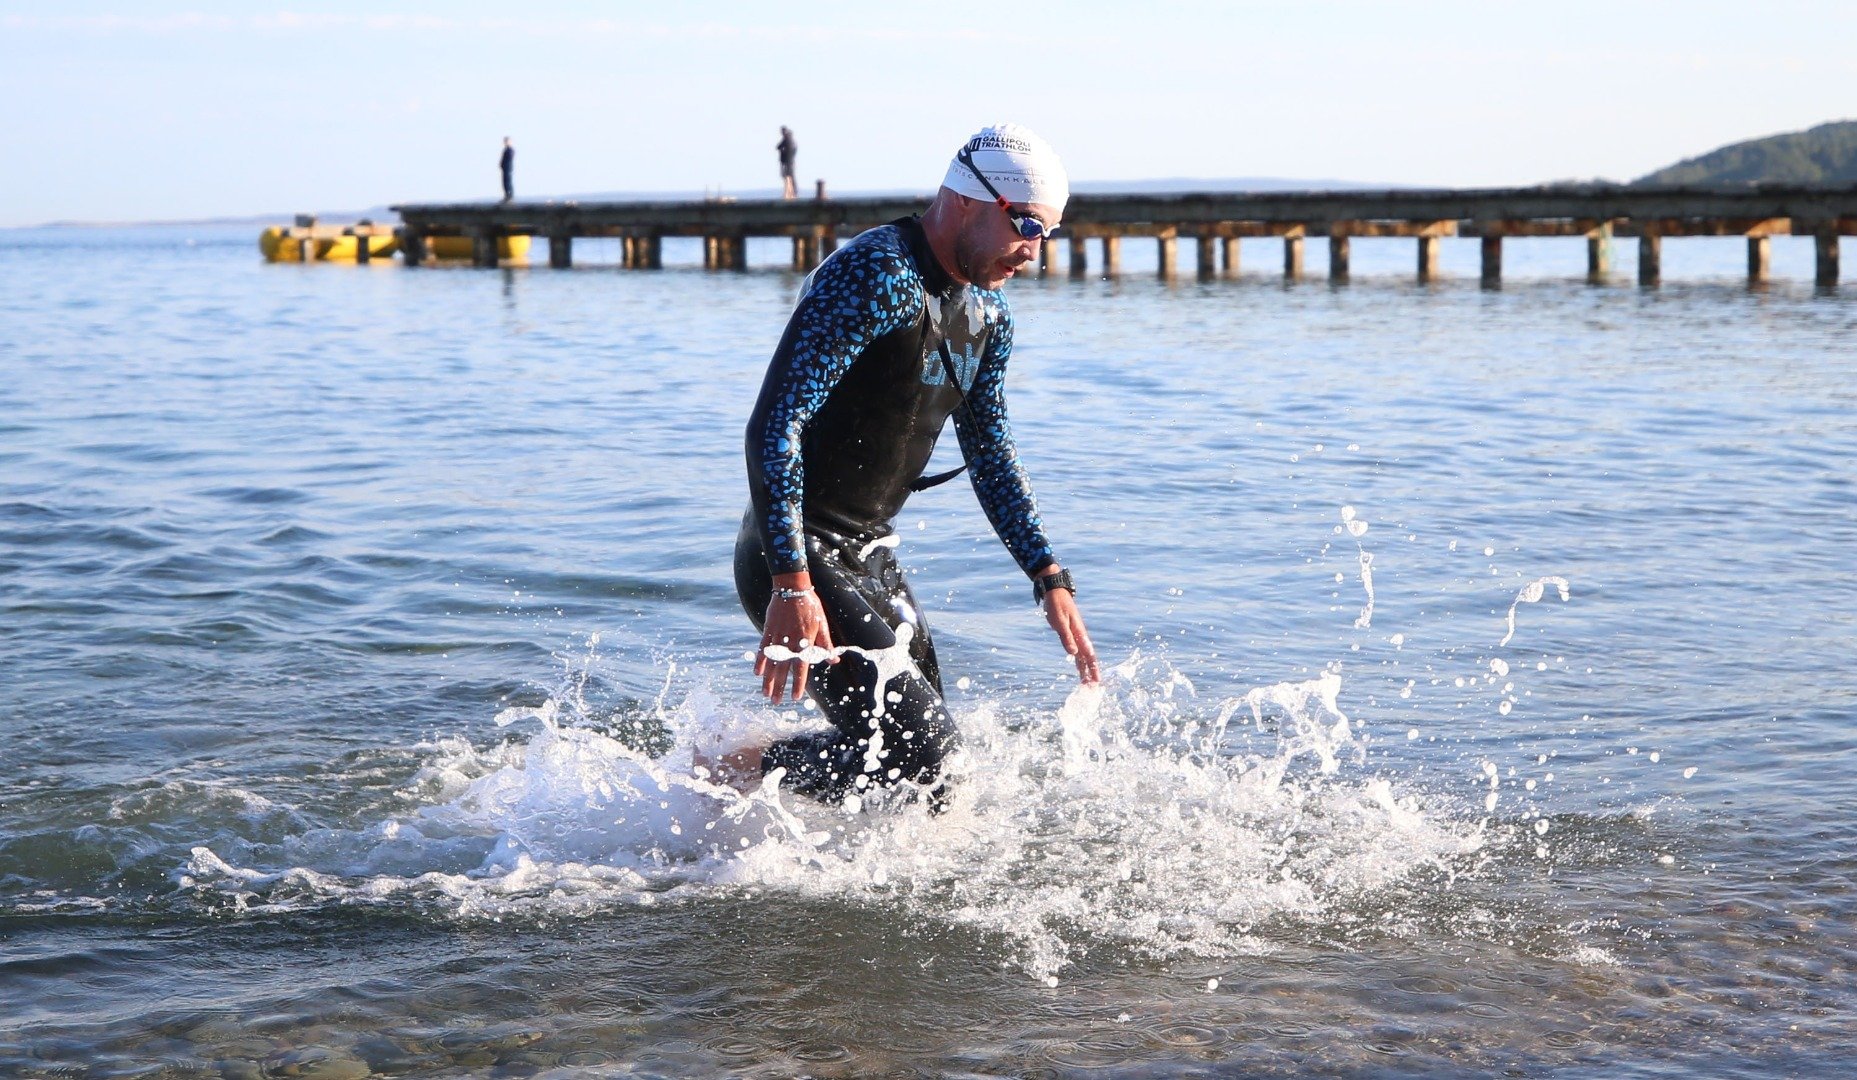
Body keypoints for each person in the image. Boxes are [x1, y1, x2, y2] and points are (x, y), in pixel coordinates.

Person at [726, 123, 1099, 811]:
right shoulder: (874, 276)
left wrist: (1047, 575)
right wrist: (790, 583)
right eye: (1025, 225)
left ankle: (775, 814)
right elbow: (774, 425)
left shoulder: (988, 312)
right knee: (929, 762)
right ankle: (732, 768)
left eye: (1047, 233)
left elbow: (989, 449)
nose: (1034, 250)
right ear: (965, 199)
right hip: (795, 553)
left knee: (927, 776)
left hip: (871, 556)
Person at [777, 126, 798, 200]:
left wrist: (784, 152)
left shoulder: (787, 139)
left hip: (787, 161)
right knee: (789, 177)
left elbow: (778, 147)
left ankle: (790, 193)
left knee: (788, 177)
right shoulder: (789, 140)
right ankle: (791, 193)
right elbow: (778, 147)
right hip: (789, 161)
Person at [499, 137, 514, 201]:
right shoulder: (506, 150)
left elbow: (509, 158)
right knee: (504, 182)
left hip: (508, 168)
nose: (505, 143)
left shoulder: (510, 150)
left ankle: (510, 195)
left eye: (506, 141)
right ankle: (506, 195)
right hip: (505, 168)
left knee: (508, 182)